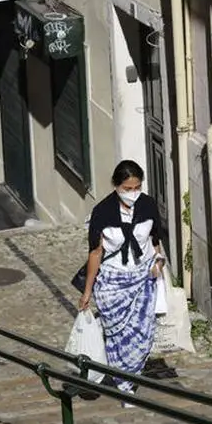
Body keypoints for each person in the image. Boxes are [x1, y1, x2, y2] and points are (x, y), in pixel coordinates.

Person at [78, 160, 167, 407]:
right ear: (116, 186)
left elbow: (156, 241)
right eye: (127, 188)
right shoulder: (102, 212)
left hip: (142, 279)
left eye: (137, 187)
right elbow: (95, 253)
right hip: (111, 284)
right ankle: (125, 386)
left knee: (143, 335)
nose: (132, 192)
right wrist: (87, 292)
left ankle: (129, 376)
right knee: (118, 338)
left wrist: (159, 262)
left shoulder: (147, 205)